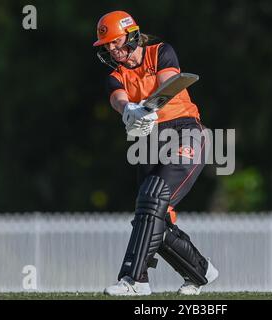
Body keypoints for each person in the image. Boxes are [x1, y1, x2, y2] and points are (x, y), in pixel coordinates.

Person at [93, 10, 218, 296]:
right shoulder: (115, 75)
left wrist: (149, 106)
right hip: (149, 142)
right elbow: (118, 97)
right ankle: (199, 270)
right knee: (149, 217)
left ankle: (134, 280)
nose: (112, 49)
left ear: (133, 35)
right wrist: (129, 111)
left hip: (186, 131)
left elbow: (169, 84)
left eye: (116, 42)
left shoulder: (161, 52)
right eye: (107, 46)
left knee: (152, 200)